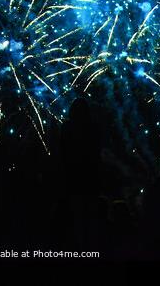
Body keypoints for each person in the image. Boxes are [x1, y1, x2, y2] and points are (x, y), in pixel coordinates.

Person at [57, 97, 102, 250]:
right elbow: (98, 153)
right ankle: (91, 250)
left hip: (74, 178)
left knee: (78, 217)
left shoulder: (67, 127)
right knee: (91, 217)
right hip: (90, 178)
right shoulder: (94, 128)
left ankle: (81, 249)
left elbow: (62, 153)